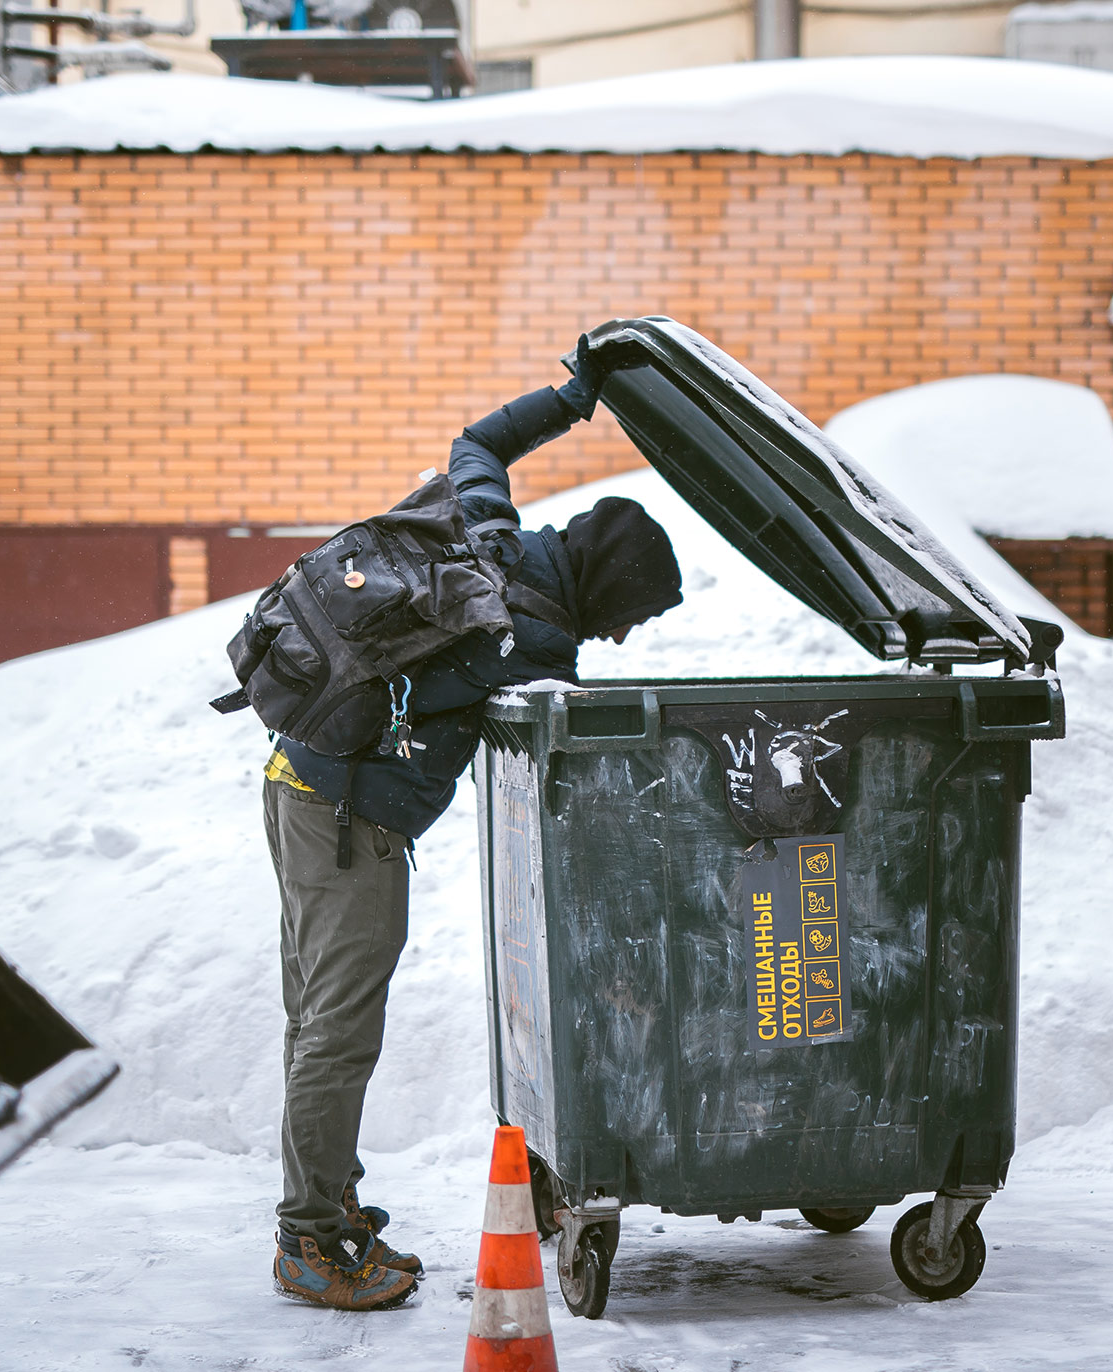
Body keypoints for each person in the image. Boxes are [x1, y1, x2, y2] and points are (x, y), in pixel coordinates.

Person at [264, 347, 684, 1312]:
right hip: (346, 821)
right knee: (338, 1030)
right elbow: (566, 716)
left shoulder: (492, 532)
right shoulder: (529, 632)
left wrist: (574, 400)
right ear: (611, 589)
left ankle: (328, 1204)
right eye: (632, 616)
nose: (623, 636)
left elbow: (477, 441)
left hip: (297, 778)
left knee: (313, 1020)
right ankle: (309, 1241)